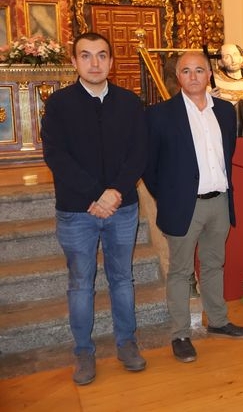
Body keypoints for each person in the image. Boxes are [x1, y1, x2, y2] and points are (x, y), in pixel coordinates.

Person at [41, 32, 147, 385]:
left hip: (122, 208)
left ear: (111, 62)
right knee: (80, 283)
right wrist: (94, 195)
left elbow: (139, 154)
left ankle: (127, 343)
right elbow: (56, 156)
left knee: (122, 278)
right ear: (74, 62)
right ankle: (84, 352)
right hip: (76, 210)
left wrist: (115, 192)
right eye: (86, 56)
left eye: (102, 56)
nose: (95, 63)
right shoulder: (58, 104)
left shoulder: (130, 103)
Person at [143, 51, 243, 364]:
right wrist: (167, 197)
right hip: (183, 205)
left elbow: (226, 152)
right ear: (177, 77)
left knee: (214, 263)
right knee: (180, 271)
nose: (193, 77)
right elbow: (149, 165)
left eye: (200, 70)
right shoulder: (159, 115)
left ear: (210, 74)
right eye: (186, 71)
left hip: (218, 201)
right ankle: (180, 334)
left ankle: (218, 321)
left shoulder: (226, 111)